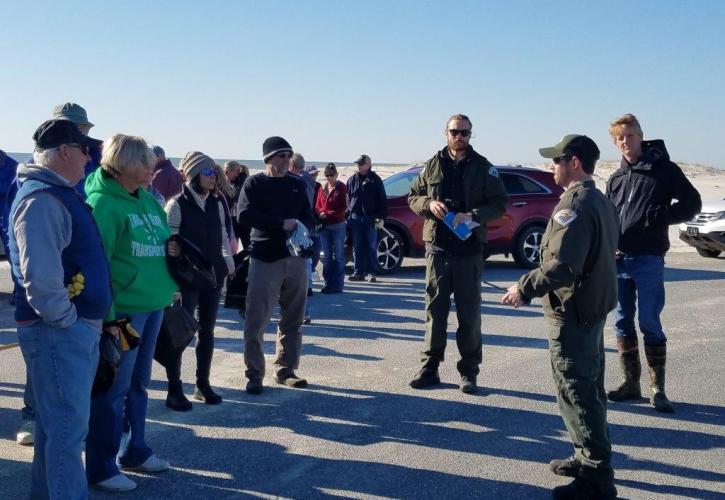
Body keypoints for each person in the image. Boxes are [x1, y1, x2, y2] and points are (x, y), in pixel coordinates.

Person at [500, 134, 619, 499]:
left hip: (574, 312)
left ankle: (596, 479)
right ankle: (586, 458)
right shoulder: (596, 199)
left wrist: (524, 288)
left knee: (577, 391)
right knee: (586, 389)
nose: (552, 166)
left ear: (575, 162)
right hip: (589, 309)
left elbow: (563, 266)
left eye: (557, 160)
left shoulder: (577, 204)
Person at [7, 119, 111, 499]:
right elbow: (42, 280)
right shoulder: (42, 199)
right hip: (59, 330)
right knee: (67, 433)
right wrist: (69, 322)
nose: (90, 159)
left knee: (56, 431)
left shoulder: (55, 193)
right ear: (65, 151)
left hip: (64, 328)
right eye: (86, 150)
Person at [84, 134, 178, 492]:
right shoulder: (104, 204)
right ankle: (101, 466)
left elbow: (162, 244)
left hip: (153, 305)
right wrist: (108, 318)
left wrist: (174, 283)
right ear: (125, 163)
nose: (152, 169)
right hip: (123, 311)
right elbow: (98, 264)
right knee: (111, 389)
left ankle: (135, 449)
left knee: (139, 384)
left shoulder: (148, 200)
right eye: (145, 163)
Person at [605, 114, 701, 413]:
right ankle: (630, 383)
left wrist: (662, 216)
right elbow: (609, 217)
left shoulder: (664, 170)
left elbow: (692, 203)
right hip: (618, 260)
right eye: (620, 137)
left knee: (649, 321)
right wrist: (607, 247)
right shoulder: (616, 178)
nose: (625, 141)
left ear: (641, 136)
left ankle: (657, 389)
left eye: (630, 136)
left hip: (648, 259)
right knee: (621, 321)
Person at [407, 114, 508, 393]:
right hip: (438, 249)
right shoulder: (432, 165)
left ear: (470, 134)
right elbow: (413, 197)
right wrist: (429, 204)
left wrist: (473, 215)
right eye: (455, 132)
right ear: (446, 133)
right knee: (434, 312)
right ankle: (430, 367)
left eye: (464, 132)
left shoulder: (483, 167)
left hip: (468, 250)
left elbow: (500, 204)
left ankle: (469, 371)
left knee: (469, 314)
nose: (459, 137)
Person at [238, 136, 314, 395]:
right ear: (269, 158)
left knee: (293, 318)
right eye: (282, 155)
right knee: (256, 320)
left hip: (295, 259)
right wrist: (280, 223)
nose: (286, 159)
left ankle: (286, 369)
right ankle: (254, 374)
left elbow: (308, 215)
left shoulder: (297, 183)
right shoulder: (255, 183)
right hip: (265, 259)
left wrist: (306, 232)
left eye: (289, 154)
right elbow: (244, 215)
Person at [164, 152, 235, 410]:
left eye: (214, 172)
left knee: (208, 331)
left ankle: (202, 384)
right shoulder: (176, 204)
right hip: (186, 278)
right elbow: (169, 242)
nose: (213, 177)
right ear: (193, 175)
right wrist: (174, 282)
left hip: (213, 277)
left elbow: (223, 236)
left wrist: (228, 262)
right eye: (207, 173)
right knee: (181, 334)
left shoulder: (217, 203)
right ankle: (174, 389)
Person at [346, 154, 387, 282]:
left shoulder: (375, 180)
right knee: (357, 246)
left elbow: (382, 200)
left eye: (361, 163)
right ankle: (358, 272)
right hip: (355, 218)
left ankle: (371, 273)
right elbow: (347, 199)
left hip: (371, 218)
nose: (359, 166)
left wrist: (381, 218)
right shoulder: (352, 180)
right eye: (358, 163)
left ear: (368, 165)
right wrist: (347, 216)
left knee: (371, 246)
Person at [51, 102, 102, 198]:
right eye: (64, 128)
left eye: (78, 128)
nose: (71, 133)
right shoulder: (35, 167)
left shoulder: (105, 161)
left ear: (86, 129)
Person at [314, 162, 348, 294]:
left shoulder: (342, 188)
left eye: (332, 175)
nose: (329, 178)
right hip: (325, 226)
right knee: (327, 257)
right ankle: (328, 283)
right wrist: (320, 213)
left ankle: (338, 284)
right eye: (327, 175)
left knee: (338, 255)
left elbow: (343, 208)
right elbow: (317, 205)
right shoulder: (322, 188)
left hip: (337, 225)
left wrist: (326, 214)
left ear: (336, 175)